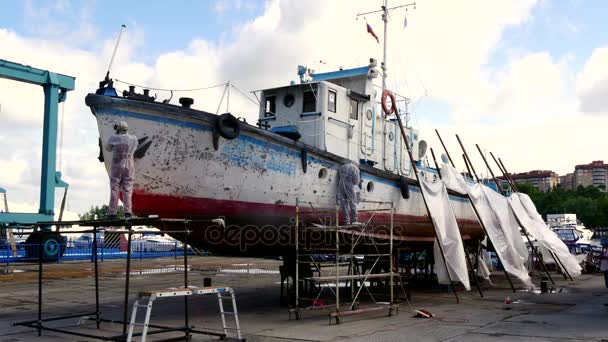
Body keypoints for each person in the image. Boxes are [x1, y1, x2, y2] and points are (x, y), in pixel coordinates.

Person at [105, 121, 138, 219]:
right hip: (129, 165)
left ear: (117, 129)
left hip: (117, 164)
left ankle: (112, 213)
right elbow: (135, 147)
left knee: (114, 189)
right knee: (127, 189)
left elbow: (108, 148)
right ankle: (128, 213)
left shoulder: (113, 137)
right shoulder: (133, 138)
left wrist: (115, 133)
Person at [337, 160, 360, 225]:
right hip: (349, 186)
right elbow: (356, 182)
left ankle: (347, 221)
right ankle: (354, 221)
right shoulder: (356, 168)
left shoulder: (342, 167)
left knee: (344, 204)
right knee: (353, 202)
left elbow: (338, 178)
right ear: (356, 164)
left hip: (341, 185)